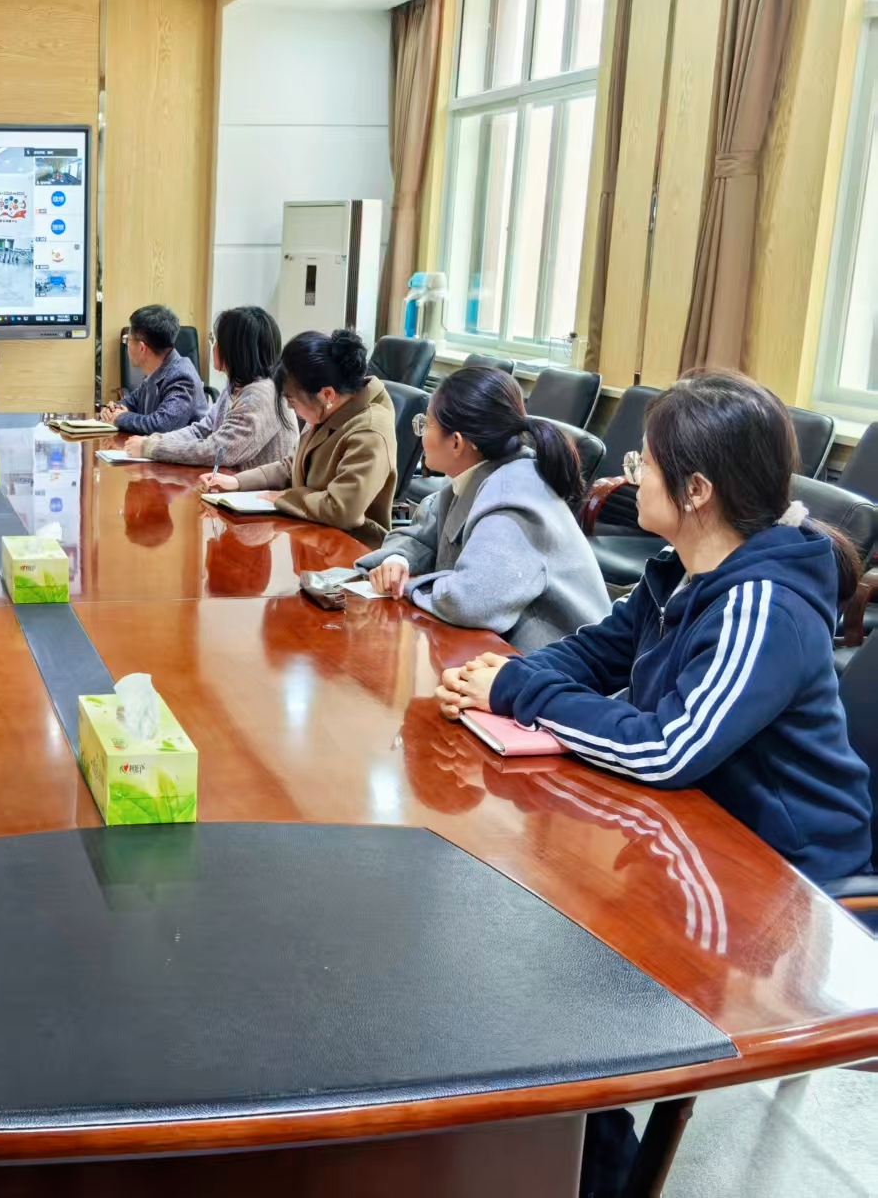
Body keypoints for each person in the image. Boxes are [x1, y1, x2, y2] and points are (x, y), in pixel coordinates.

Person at [437, 370, 872, 884]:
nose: (633, 479)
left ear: (697, 490)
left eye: (643, 465)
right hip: (695, 832)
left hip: (788, 875)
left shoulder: (762, 609)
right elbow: (597, 652)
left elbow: (666, 748)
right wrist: (497, 676)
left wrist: (517, 689)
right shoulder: (679, 568)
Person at [354, 366, 609, 649]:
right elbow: (420, 535)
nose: (421, 435)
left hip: (557, 661)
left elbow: (471, 601)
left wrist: (408, 586)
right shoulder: (476, 476)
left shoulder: (514, 496)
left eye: (426, 424)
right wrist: (397, 561)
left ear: (456, 442)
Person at [197, 328, 393, 543]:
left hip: (351, 549)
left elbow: (342, 509)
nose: (290, 406)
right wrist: (237, 482)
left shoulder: (370, 431)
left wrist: (284, 498)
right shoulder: (327, 410)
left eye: (291, 399)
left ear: (327, 394)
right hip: (312, 535)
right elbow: (293, 465)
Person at [125, 305, 296, 474]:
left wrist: (153, 448)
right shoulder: (236, 386)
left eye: (216, 340)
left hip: (256, 491)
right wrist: (154, 440)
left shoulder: (261, 395)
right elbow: (201, 430)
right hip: (229, 483)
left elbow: (219, 450)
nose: (214, 346)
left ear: (234, 349)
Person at [98, 304, 209, 435]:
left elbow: (162, 425)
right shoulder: (156, 371)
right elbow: (133, 402)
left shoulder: (182, 377)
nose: (127, 345)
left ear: (141, 348)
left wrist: (120, 417)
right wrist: (112, 410)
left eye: (128, 339)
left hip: (180, 448)